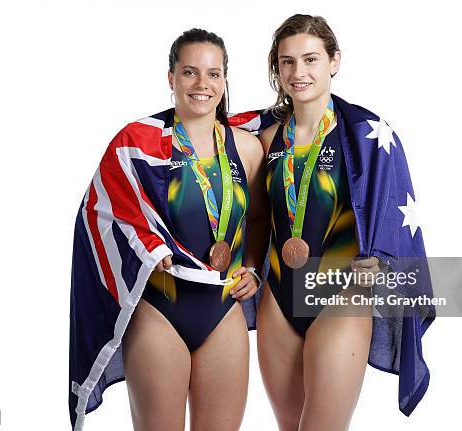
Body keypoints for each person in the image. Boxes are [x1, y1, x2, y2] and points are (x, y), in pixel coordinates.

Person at [68, 28, 268, 431]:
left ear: (225, 80)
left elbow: (261, 219)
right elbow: (100, 212)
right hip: (159, 312)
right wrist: (146, 246)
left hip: (223, 308)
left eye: (213, 74)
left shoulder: (246, 148)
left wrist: (251, 266)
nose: (202, 84)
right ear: (171, 78)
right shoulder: (139, 145)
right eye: (190, 72)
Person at [254, 14, 434, 430]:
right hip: (279, 298)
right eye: (287, 62)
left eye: (311, 59)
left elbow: (391, 210)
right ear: (277, 69)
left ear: (334, 62)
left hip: (343, 294)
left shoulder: (367, 135)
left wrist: (382, 260)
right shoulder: (263, 137)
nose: (299, 73)